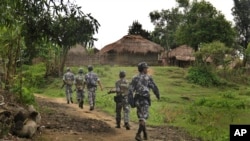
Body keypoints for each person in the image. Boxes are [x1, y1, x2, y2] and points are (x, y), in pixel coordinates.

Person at [128, 62, 160, 141]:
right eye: (146, 68)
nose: (147, 69)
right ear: (143, 69)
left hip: (137, 100)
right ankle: (138, 135)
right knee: (144, 117)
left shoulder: (134, 78)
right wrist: (157, 95)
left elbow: (130, 90)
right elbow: (154, 87)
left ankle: (145, 134)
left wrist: (131, 101)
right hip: (145, 100)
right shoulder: (148, 78)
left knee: (141, 117)